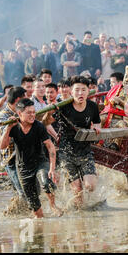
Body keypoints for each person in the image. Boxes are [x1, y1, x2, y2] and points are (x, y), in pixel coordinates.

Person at [0, 98, 61, 218]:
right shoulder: (14, 127)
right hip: (23, 168)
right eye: (29, 113)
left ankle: (53, 205)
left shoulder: (38, 126)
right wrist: (8, 129)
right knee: (35, 207)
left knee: (46, 182)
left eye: (34, 112)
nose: (33, 115)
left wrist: (52, 168)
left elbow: (50, 147)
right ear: (19, 113)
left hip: (40, 163)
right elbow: (2, 146)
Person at [50, 76, 101, 209]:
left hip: (85, 150)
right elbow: (45, 123)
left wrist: (96, 128)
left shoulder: (92, 106)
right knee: (77, 191)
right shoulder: (64, 107)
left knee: (90, 186)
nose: (80, 93)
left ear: (88, 91)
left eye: (83, 90)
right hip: (67, 152)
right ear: (71, 92)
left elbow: (97, 123)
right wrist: (50, 112)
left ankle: (92, 200)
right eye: (77, 90)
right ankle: (82, 218)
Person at [0, 86, 27, 197]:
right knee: (22, 191)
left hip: (24, 155)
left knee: (31, 189)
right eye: (24, 99)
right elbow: (4, 143)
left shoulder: (22, 111)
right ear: (17, 100)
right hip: (11, 157)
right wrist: (10, 127)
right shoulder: (3, 116)